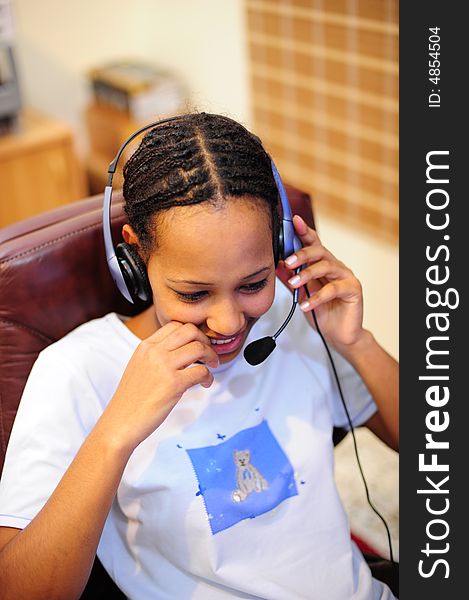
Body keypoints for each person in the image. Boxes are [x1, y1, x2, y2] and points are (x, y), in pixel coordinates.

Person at [0, 112, 398, 599]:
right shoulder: (77, 370)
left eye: (253, 284)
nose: (229, 323)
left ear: (279, 245)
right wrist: (115, 431)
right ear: (135, 257)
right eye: (193, 294)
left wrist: (357, 343)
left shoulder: (293, 317)